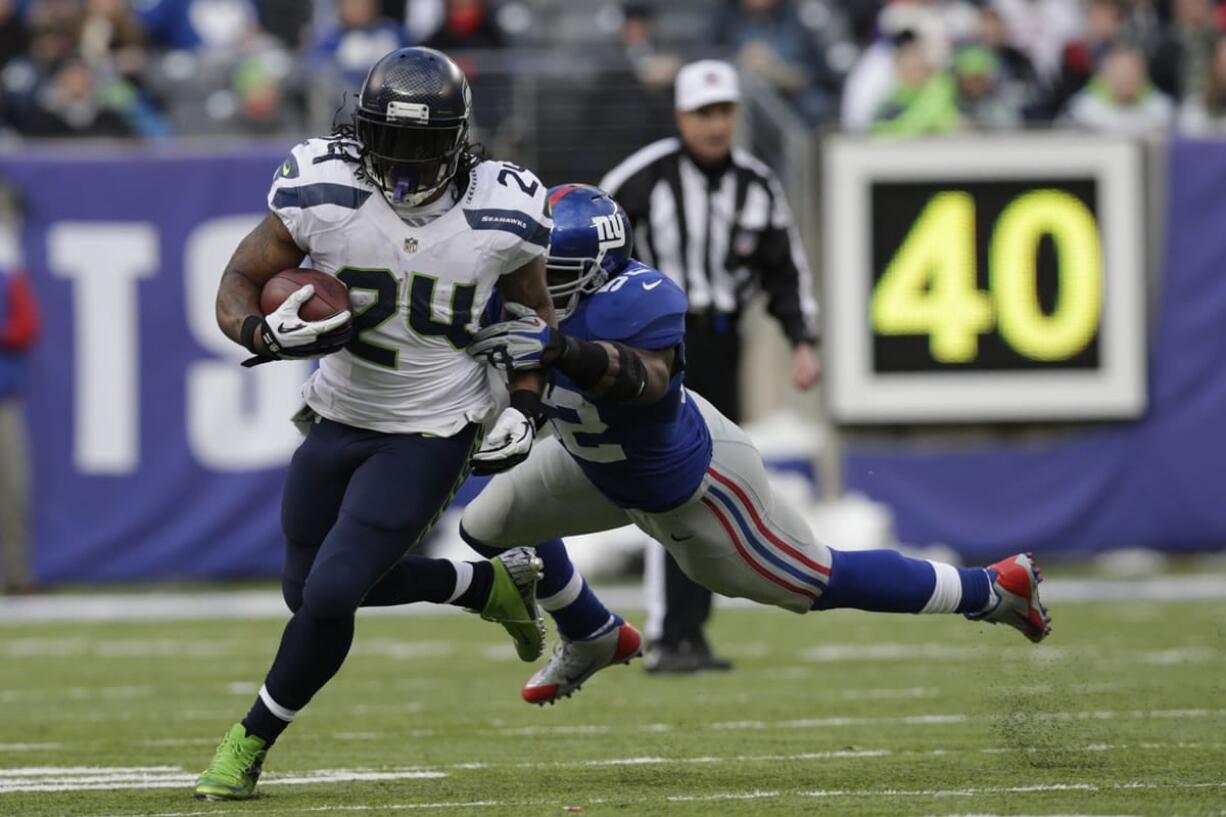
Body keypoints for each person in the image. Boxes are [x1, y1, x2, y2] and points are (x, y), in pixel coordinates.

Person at [459, 184, 1051, 705]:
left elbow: (645, 381)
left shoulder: (635, 301)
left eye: (547, 272)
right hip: (591, 465)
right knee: (488, 523)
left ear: (592, 273)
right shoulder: (515, 295)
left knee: (817, 579)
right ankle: (592, 632)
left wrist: (559, 349)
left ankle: (993, 589)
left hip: (697, 487)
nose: (528, 284)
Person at [194, 46, 558, 801]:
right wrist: (259, 335)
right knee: (307, 591)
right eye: (386, 139)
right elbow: (238, 280)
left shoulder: (505, 206)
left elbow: (532, 318)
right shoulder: (322, 184)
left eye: (422, 145)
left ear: (459, 140)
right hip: (339, 405)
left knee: (330, 595)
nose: (400, 162)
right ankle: (484, 584)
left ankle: (247, 744)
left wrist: (525, 404)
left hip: (437, 420)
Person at [598, 59, 820, 674]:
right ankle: (668, 630)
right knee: (669, 487)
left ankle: (690, 630)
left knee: (712, 485)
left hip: (723, 345)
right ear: (680, 116)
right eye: (703, 113)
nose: (715, 124)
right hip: (658, 346)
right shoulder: (641, 178)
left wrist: (803, 338)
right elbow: (590, 245)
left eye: (724, 112)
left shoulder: (757, 184)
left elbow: (785, 267)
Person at [0, 257, 40, 596]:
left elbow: (27, 325)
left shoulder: (7, 277)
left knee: (12, 491)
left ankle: (16, 574)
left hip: (4, 401)